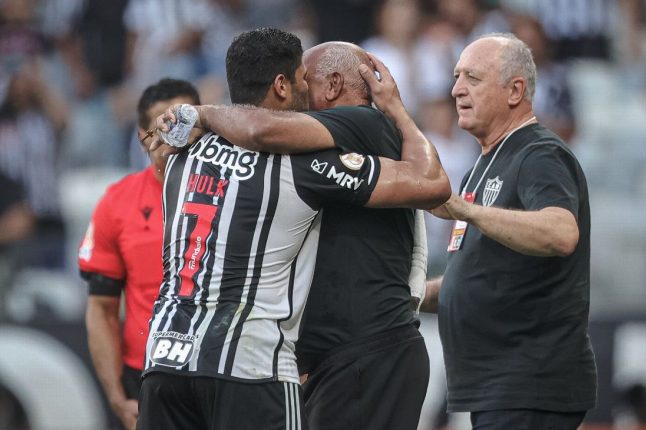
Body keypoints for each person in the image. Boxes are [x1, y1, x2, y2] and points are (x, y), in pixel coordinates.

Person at [138, 28, 449, 430]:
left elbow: (248, 132)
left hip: (166, 356)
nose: (305, 89)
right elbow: (431, 185)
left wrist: (200, 115)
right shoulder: (298, 166)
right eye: (301, 78)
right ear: (282, 85)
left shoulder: (180, 158)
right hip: (251, 363)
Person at [422, 33, 597, 429]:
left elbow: (561, 232)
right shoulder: (482, 166)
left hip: (530, 381)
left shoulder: (539, 153)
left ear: (515, 90)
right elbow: (475, 277)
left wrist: (465, 209)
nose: (456, 90)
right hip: (502, 384)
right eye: (455, 77)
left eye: (473, 78)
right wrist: (410, 291)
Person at [78, 78, 201, 430]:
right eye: (163, 127)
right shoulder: (117, 203)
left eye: (185, 124)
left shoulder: (239, 191)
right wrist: (117, 396)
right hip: (147, 375)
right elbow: (101, 308)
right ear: (142, 136)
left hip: (223, 369)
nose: (176, 138)